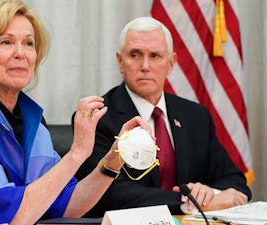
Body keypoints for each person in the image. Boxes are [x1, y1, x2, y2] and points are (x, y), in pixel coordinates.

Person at [0, 1, 151, 225]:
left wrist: (112, 162)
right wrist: (76, 154)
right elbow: (6, 218)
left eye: (28, 43)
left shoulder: (29, 115)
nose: (20, 53)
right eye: (6, 42)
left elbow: (66, 204)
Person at [73, 17, 252, 217]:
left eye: (155, 56)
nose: (145, 66)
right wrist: (189, 203)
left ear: (171, 63)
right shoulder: (99, 117)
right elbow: (110, 193)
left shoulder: (196, 116)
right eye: (135, 54)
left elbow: (234, 180)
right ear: (120, 61)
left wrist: (209, 194)